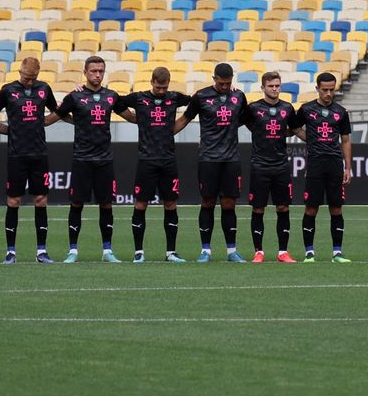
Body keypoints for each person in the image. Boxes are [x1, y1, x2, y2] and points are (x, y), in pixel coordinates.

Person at [119, 66, 191, 262]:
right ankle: (139, 252)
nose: (161, 91)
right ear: (151, 82)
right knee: (141, 204)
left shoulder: (174, 97)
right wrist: (134, 119)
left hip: (168, 159)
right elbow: (114, 102)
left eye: (164, 87)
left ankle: (170, 252)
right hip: (146, 160)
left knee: (171, 203)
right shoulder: (139, 98)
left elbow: (199, 101)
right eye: (158, 87)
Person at [0, 55, 62, 263]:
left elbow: (57, 111)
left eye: (33, 78)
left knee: (41, 200)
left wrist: (43, 122)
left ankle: (41, 251)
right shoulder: (8, 90)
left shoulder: (44, 88)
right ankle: (11, 251)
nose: (30, 82)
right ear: (20, 72)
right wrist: (2, 129)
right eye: (27, 78)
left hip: (39, 153)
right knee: (13, 200)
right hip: (16, 154)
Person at [57, 55, 122, 263]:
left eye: (101, 71)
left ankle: (107, 251)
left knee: (106, 205)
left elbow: (130, 114)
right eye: (93, 71)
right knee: (77, 204)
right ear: (85, 72)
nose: (97, 74)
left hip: (104, 159)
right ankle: (73, 250)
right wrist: (76, 121)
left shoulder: (111, 96)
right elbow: (57, 113)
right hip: (82, 158)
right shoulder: (75, 97)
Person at [187, 62, 253, 262]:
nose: (225, 87)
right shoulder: (201, 96)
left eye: (228, 83)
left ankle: (231, 251)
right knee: (207, 202)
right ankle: (205, 250)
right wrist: (166, 134)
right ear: (214, 78)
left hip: (231, 158)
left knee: (229, 204)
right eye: (221, 83)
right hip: (208, 158)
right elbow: (185, 118)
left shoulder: (239, 96)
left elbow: (247, 119)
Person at [290, 71, 353, 263]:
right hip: (315, 164)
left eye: (331, 90)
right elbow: (294, 127)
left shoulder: (341, 112)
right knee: (311, 208)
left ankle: (337, 253)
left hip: (334, 163)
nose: (328, 93)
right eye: (324, 90)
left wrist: (347, 167)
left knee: (336, 208)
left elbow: (345, 139)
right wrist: (310, 139)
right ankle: (309, 252)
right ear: (317, 89)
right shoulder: (307, 109)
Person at [244, 71, 299, 263]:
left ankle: (283, 252)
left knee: (283, 208)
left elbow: (295, 128)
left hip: (281, 165)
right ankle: (258, 251)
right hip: (260, 165)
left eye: (277, 85)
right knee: (258, 209)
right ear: (263, 88)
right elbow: (248, 124)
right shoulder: (253, 108)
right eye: (271, 86)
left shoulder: (288, 108)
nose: (274, 89)